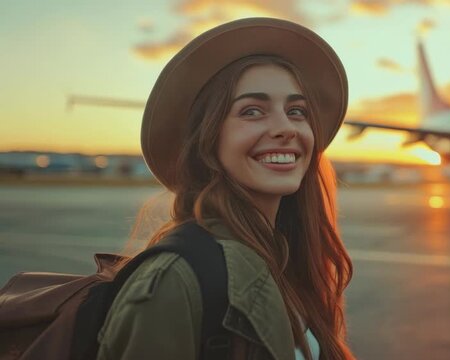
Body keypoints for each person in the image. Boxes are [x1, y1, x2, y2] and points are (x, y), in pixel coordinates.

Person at [96, 18, 354, 360]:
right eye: (252, 111)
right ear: (208, 139)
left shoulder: (286, 259)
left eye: (296, 111)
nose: (285, 128)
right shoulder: (176, 281)